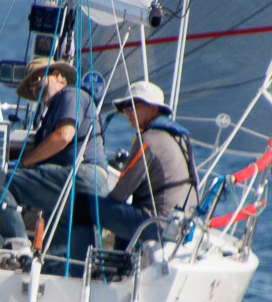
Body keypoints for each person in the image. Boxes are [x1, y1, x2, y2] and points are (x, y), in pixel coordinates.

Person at [0, 57, 109, 265]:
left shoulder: (71, 94)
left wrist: (23, 164)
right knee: (58, 262)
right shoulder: (51, 115)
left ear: (60, 78)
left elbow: (64, 136)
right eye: (30, 86)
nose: (33, 87)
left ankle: (19, 249)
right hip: (86, 187)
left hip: (79, 177)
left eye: (37, 79)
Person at [75, 80, 198, 249]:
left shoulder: (148, 140)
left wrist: (100, 208)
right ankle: (119, 268)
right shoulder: (180, 137)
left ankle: (76, 266)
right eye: (124, 107)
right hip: (182, 226)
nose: (127, 112)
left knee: (79, 204)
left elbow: (120, 194)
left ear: (153, 109)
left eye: (133, 106)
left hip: (157, 225)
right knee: (124, 213)